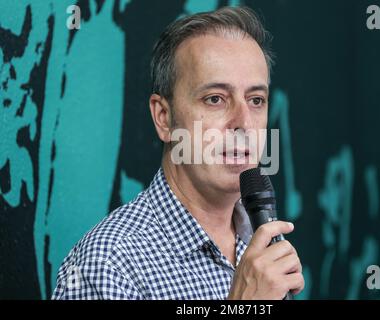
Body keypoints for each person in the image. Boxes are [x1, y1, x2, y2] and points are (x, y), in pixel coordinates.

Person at [52, 6, 304, 300]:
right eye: (215, 99)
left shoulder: (264, 240)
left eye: (256, 100)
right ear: (163, 117)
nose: (244, 124)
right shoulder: (108, 264)